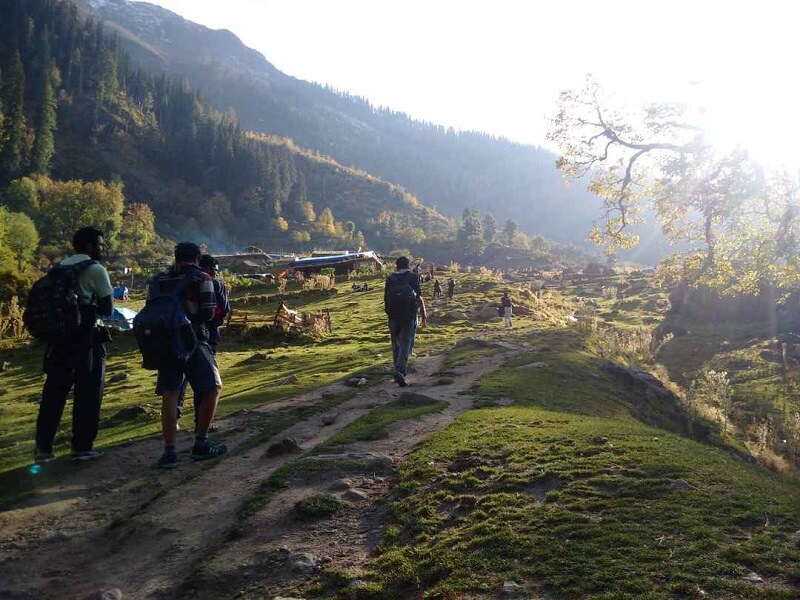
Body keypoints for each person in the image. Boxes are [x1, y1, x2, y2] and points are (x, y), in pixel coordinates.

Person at [35, 227, 114, 462]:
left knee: (54, 392)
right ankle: (82, 446)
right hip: (87, 338)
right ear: (90, 246)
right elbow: (107, 308)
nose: (102, 248)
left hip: (59, 339)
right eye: (100, 244)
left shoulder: (60, 268)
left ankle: (43, 449)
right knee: (88, 393)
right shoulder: (95, 269)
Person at [150, 243, 225, 469]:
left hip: (166, 342)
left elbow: (151, 307)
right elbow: (208, 312)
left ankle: (169, 452)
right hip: (193, 339)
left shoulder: (159, 280)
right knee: (213, 387)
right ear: (197, 257)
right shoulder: (202, 278)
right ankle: (201, 443)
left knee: (170, 393)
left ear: (176, 257)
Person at [176, 254, 230, 428]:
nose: (215, 273)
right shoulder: (214, 284)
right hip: (206, 335)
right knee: (206, 380)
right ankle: (202, 422)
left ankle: (174, 416)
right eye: (214, 270)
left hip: (178, 334)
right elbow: (223, 310)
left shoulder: (175, 280)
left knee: (180, 377)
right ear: (208, 269)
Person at [384, 256, 427, 387]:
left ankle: (397, 368)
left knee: (395, 344)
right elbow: (418, 295)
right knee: (406, 343)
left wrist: (389, 313)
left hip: (393, 316)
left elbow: (386, 297)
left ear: (397, 266)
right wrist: (422, 314)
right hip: (409, 315)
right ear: (408, 265)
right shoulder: (413, 277)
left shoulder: (390, 278)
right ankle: (400, 371)